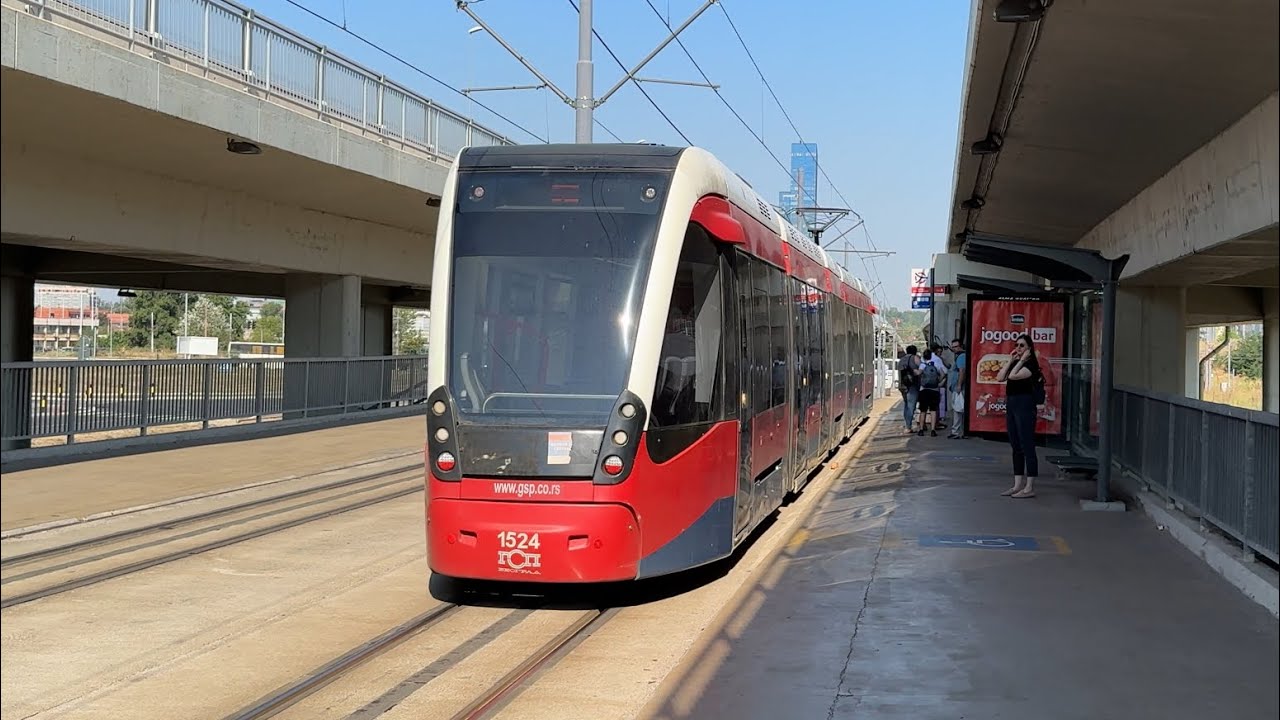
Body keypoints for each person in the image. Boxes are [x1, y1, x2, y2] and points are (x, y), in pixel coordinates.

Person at [996, 333, 1042, 498]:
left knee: (1026, 443)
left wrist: (1022, 360)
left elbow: (1014, 376)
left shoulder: (1031, 364)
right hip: (1012, 404)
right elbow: (1000, 377)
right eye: (1016, 345)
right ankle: (1017, 484)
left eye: (1022, 345)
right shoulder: (1016, 361)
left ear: (1029, 348)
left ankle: (1029, 486)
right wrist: (1011, 360)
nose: (1018, 348)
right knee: (1015, 444)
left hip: (1025, 404)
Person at [916, 347, 943, 437]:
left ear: (924, 356)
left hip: (924, 390)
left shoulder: (923, 365)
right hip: (934, 390)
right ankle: (933, 430)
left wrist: (914, 371)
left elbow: (918, 373)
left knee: (923, 411)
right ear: (931, 356)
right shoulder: (936, 365)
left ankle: (920, 430)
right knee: (933, 410)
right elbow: (943, 374)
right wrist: (938, 381)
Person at [947, 338, 967, 439]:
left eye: (956, 347)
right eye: (953, 347)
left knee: (958, 409)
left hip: (959, 387)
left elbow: (962, 371)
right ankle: (958, 431)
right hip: (956, 386)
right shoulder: (960, 356)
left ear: (961, 346)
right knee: (958, 408)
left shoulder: (961, 356)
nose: (954, 349)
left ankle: (957, 431)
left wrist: (959, 385)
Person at [897, 346, 920, 433]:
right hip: (912, 385)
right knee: (911, 406)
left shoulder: (901, 360)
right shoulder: (914, 358)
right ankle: (908, 426)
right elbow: (922, 367)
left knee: (906, 405)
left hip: (902, 386)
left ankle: (907, 424)